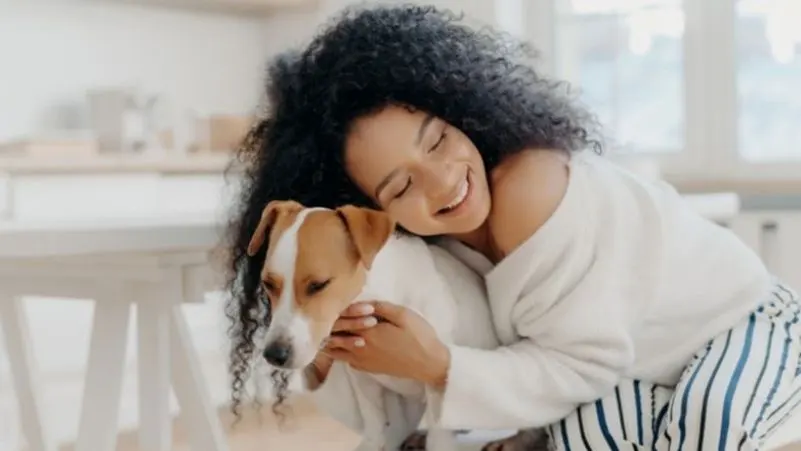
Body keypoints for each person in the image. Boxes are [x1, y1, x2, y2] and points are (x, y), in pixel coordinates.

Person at [224, 4, 801, 450]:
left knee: (704, 427)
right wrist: (326, 350)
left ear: (460, 108)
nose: (443, 181)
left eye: (440, 139)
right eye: (400, 187)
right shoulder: (425, 249)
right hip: (629, 369)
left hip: (740, 325)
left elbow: (579, 362)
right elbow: (397, 404)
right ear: (370, 214)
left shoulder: (533, 187)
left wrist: (439, 366)